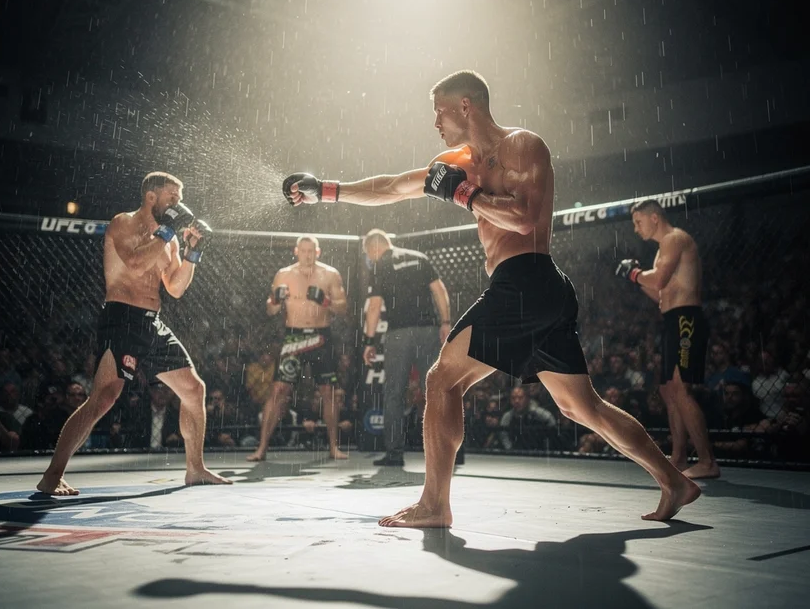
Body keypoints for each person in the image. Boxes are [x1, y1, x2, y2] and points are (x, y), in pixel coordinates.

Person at [281, 70, 700, 525]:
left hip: (527, 280)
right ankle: (673, 481)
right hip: (533, 291)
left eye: (440, 112)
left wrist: (465, 194)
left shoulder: (522, 146)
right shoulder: (455, 161)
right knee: (582, 406)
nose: (435, 123)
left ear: (465, 106)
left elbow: (523, 219)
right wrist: (326, 191)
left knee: (442, 380)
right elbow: (394, 186)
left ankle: (434, 504)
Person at [36, 171, 231, 495]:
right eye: (172, 197)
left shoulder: (169, 240)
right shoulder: (123, 223)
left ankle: (195, 469)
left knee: (194, 390)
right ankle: (52, 476)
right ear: (151, 196)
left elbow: (176, 288)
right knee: (102, 399)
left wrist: (192, 253)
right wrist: (167, 231)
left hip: (152, 323)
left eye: (180, 198)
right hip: (122, 318)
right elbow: (137, 264)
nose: (179, 204)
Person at [617, 199, 720, 479]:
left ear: (654, 218)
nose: (636, 229)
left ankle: (707, 461)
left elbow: (659, 279)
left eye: (638, 222)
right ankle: (678, 457)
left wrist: (634, 273)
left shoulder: (674, 239)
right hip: (673, 320)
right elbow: (660, 295)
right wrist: (635, 278)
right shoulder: (662, 251)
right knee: (669, 390)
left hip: (687, 319)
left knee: (681, 389)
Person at [246, 235, 349, 461]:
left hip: (321, 336)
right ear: (296, 251)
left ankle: (333, 447)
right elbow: (270, 310)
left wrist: (326, 302)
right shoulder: (284, 274)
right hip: (294, 336)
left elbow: (343, 308)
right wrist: (275, 299)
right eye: (303, 250)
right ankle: (261, 448)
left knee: (328, 392)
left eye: (311, 251)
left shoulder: (330, 274)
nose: (307, 255)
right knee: (278, 390)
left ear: (318, 252)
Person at [362, 229, 452, 467]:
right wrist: (445, 322)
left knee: (394, 393)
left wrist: (369, 341)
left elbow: (374, 307)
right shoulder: (419, 257)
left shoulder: (380, 266)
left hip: (398, 334)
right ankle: (445, 452)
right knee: (434, 390)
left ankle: (394, 453)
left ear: (373, 248)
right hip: (428, 331)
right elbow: (440, 291)